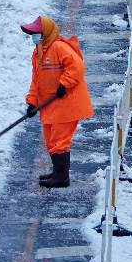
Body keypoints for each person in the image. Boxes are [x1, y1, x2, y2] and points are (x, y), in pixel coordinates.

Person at [21, 15, 93, 188]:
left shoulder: (59, 47)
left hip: (67, 103)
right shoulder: (39, 52)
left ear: (46, 33)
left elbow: (77, 67)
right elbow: (36, 81)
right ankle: (58, 172)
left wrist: (64, 84)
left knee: (60, 140)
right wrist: (32, 102)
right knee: (51, 140)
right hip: (50, 104)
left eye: (36, 33)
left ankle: (62, 178)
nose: (34, 37)